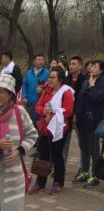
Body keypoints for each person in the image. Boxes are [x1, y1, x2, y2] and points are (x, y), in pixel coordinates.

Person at [0, 75, 37, 211]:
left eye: (1, 91)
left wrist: (20, 150)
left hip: (13, 179)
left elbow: (32, 134)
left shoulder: (20, 113)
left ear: (10, 94)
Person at [29, 66, 74, 195]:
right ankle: (40, 182)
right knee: (43, 155)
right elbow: (38, 106)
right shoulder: (47, 91)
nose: (49, 79)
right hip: (45, 128)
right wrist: (44, 111)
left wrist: (53, 116)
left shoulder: (66, 92)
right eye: (49, 77)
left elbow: (68, 111)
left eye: (53, 77)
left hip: (58, 129)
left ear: (60, 79)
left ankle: (58, 182)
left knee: (57, 155)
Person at [73, 60, 104, 189]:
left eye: (95, 67)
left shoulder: (103, 84)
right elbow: (80, 99)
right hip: (82, 119)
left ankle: (95, 175)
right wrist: (76, 115)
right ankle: (84, 171)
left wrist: (93, 86)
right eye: (92, 66)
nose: (92, 68)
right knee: (84, 147)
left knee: (94, 149)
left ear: (101, 70)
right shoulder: (86, 81)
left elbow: (97, 98)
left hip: (94, 121)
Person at [64, 55, 87, 162]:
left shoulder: (85, 81)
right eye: (70, 64)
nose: (71, 66)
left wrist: (77, 114)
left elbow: (84, 99)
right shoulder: (65, 80)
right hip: (67, 114)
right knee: (64, 142)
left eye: (74, 64)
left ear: (80, 66)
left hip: (80, 115)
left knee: (83, 144)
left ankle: (83, 167)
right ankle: (61, 166)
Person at [21, 54, 50, 125]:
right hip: (30, 104)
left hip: (42, 105)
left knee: (40, 126)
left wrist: (42, 91)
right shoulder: (28, 73)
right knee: (30, 124)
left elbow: (50, 87)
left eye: (42, 60)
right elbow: (24, 86)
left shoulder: (48, 73)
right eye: (38, 60)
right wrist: (24, 97)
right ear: (34, 62)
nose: (41, 62)